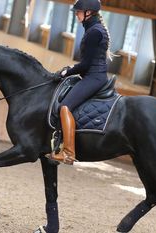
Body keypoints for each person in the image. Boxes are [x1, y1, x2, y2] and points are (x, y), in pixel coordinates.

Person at [47, 0, 111, 165]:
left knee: (65, 106)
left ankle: (68, 152)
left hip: (94, 77)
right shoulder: (94, 29)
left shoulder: (94, 32)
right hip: (93, 75)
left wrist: (66, 71)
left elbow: (85, 64)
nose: (76, 14)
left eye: (78, 12)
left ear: (88, 12)